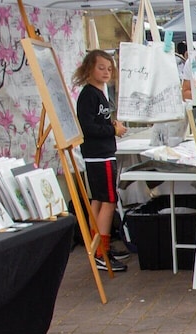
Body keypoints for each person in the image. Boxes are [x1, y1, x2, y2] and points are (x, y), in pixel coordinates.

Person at [73, 50, 131, 272]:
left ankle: (97, 245)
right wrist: (113, 129)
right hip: (99, 155)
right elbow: (88, 128)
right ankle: (101, 252)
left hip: (101, 153)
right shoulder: (89, 95)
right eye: (101, 68)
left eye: (109, 68)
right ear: (89, 69)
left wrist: (111, 125)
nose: (106, 72)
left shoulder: (99, 93)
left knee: (99, 199)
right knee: (107, 200)